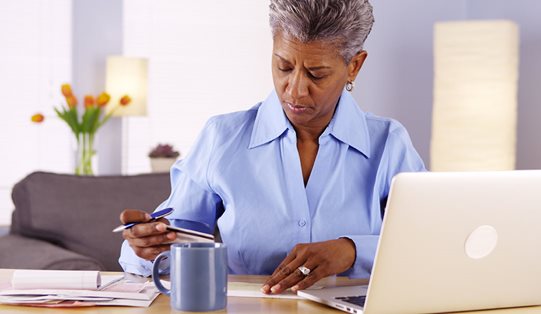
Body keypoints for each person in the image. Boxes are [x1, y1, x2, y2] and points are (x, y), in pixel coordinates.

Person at [118, 0, 425, 294]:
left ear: (354, 66)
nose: (295, 89)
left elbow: (426, 243)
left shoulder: (388, 144)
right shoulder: (222, 138)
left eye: (316, 74)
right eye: (284, 67)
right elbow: (176, 240)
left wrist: (352, 250)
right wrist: (146, 244)